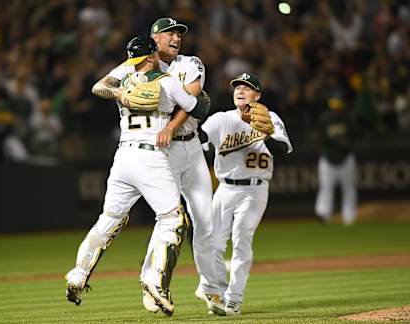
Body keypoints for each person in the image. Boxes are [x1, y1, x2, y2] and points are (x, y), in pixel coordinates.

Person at [92, 17, 227, 315]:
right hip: (162, 152)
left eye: (179, 34)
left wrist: (170, 127)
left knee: (205, 219)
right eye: (169, 34)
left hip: (190, 146)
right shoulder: (137, 64)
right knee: (168, 218)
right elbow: (101, 85)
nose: (176, 38)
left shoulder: (191, 63)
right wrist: (120, 93)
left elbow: (190, 101)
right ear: (155, 38)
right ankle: (152, 282)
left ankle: (211, 289)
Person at [65, 35, 208, 316]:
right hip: (149, 156)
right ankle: (155, 281)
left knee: (110, 218)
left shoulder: (126, 80)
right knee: (173, 219)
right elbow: (196, 108)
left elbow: (101, 87)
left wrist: (121, 95)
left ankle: (78, 275)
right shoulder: (166, 81)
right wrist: (201, 98)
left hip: (122, 158)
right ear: (152, 55)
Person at [200, 72, 293, 315]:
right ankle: (217, 294)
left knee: (242, 238)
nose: (240, 90)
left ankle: (235, 298)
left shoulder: (270, 118)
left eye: (247, 87)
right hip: (224, 189)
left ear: (258, 95)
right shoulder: (220, 120)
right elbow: (197, 140)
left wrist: (267, 133)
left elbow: (282, 151)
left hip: (255, 189)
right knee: (215, 243)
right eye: (237, 87)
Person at [315, 96, 358, 225]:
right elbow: (319, 139)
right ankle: (323, 214)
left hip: (346, 158)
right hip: (328, 159)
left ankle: (349, 217)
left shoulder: (348, 119)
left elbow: (355, 137)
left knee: (348, 188)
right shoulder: (324, 119)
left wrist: (346, 144)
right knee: (326, 188)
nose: (336, 110)